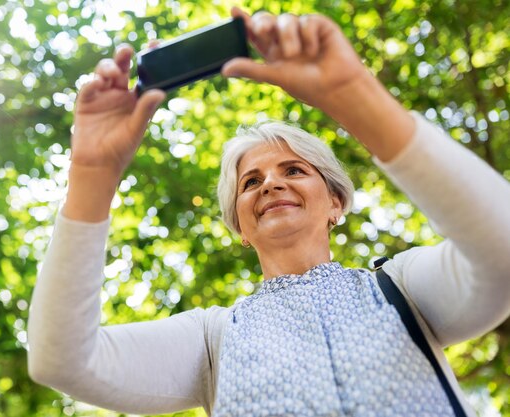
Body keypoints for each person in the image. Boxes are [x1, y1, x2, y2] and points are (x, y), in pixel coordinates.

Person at [27, 7, 510, 417]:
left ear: (335, 202)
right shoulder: (212, 339)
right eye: (251, 182)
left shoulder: (403, 289)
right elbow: (61, 360)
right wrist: (92, 173)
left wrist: (356, 96)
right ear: (239, 226)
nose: (271, 183)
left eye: (294, 170)